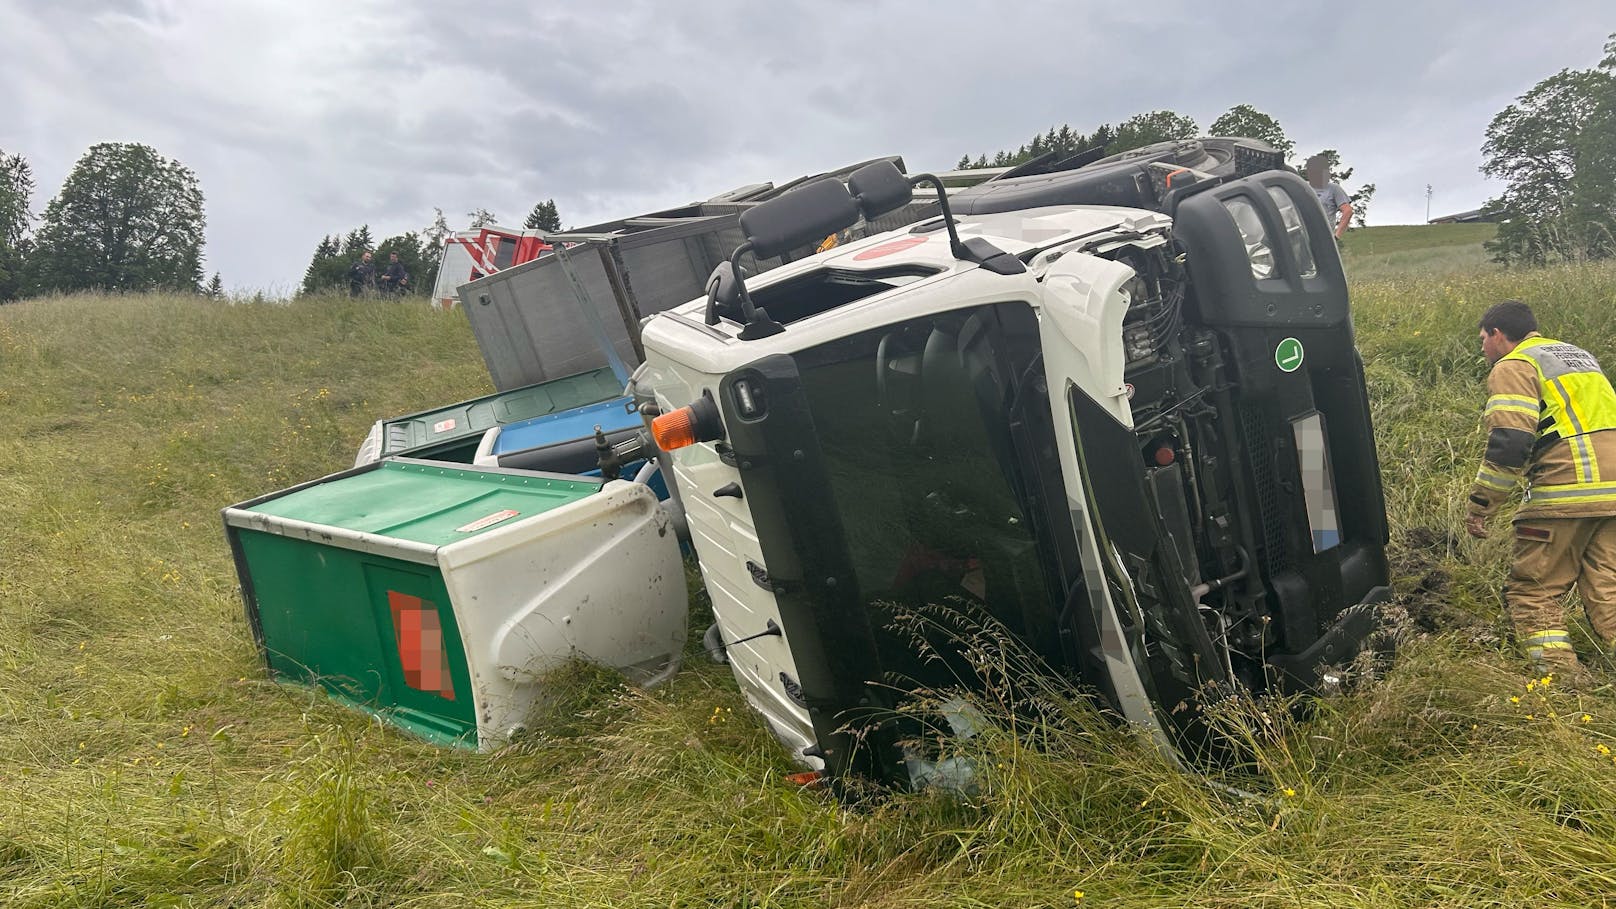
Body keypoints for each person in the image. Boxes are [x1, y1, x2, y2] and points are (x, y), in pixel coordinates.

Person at [1465, 300, 1616, 672]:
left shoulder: (1515, 365)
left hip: (1569, 492)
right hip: (1613, 495)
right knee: (1607, 591)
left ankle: (1563, 688)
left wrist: (1482, 504)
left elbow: (1510, 442)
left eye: (1483, 339)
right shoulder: (1577, 356)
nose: (1482, 347)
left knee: (1532, 592)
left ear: (1499, 335)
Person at [1305, 155, 1353, 241]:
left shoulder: (1334, 189)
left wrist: (1336, 236)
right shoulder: (1302, 187)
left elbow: (1348, 211)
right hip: (1303, 236)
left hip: (1324, 238)